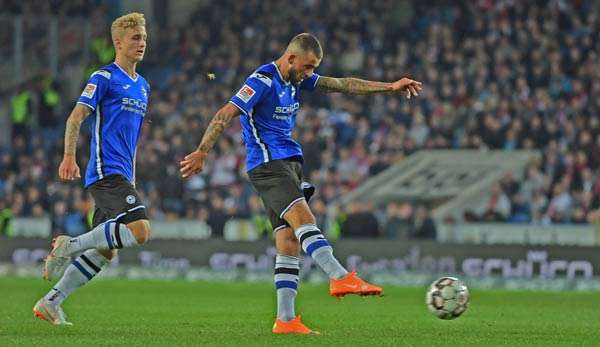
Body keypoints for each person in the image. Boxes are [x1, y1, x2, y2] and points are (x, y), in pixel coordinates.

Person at [180, 33, 422, 334]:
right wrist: (203, 151)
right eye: (307, 67)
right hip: (269, 165)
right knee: (304, 219)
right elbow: (225, 113)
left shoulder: (296, 79)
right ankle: (338, 275)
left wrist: (390, 86)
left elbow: (343, 84)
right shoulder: (262, 80)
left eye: (313, 69)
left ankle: (285, 319)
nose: (309, 74)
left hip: (289, 165)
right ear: (291, 58)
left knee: (289, 241)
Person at [33, 12, 151, 326]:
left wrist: (133, 177)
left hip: (123, 172)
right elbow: (75, 117)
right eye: (135, 38)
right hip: (104, 169)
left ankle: (50, 302)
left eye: (143, 37)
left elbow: (133, 138)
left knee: (106, 250)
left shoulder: (143, 86)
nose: (141, 43)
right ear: (118, 42)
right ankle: (68, 245)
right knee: (140, 231)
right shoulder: (104, 77)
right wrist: (68, 157)